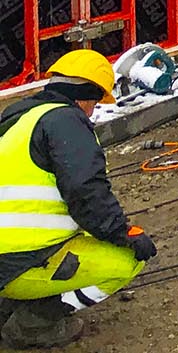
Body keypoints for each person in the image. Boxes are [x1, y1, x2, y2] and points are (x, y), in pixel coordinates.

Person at [0, 51, 155, 350]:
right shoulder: (65, 120)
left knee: (79, 236)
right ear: (86, 95)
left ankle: (8, 305)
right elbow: (86, 193)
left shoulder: (16, 117)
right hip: (18, 259)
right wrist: (125, 235)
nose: (92, 113)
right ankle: (31, 325)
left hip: (9, 254)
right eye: (95, 104)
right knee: (126, 262)